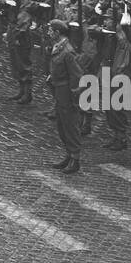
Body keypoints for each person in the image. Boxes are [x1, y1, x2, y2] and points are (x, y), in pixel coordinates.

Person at [46, 19, 83, 174]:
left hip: (66, 93)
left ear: (57, 33)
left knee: (70, 126)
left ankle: (75, 158)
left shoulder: (67, 51)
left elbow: (77, 76)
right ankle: (68, 155)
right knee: (61, 125)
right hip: (59, 91)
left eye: (50, 30)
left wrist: (74, 97)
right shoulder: (58, 47)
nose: (48, 33)